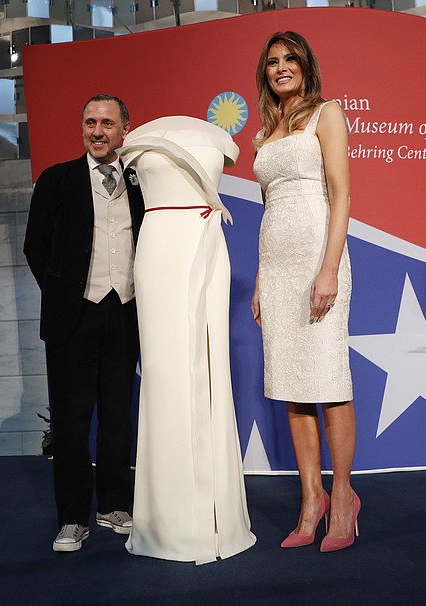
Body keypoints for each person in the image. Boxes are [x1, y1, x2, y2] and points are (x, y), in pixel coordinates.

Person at [118, 116, 256, 564]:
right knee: (164, 374)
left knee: (211, 370)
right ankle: (169, 523)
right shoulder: (136, 143)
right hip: (159, 248)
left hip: (209, 242)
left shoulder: (221, 141)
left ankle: (219, 521)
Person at [251, 31, 359, 552]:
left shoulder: (327, 114)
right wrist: (259, 282)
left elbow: (340, 196)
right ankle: (309, 498)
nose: (281, 68)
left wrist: (329, 269)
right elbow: (269, 212)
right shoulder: (264, 134)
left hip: (319, 259)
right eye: (273, 62)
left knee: (329, 380)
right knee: (293, 386)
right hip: (276, 272)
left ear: (305, 65)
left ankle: (342, 497)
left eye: (290, 59)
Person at [23, 94, 145, 553]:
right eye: (90, 122)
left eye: (107, 123)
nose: (97, 131)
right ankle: (72, 518)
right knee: (72, 423)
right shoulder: (57, 180)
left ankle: (113, 504)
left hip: (126, 311)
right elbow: (36, 246)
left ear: (124, 129)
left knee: (117, 415)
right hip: (72, 316)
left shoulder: (140, 181)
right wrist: (63, 296)